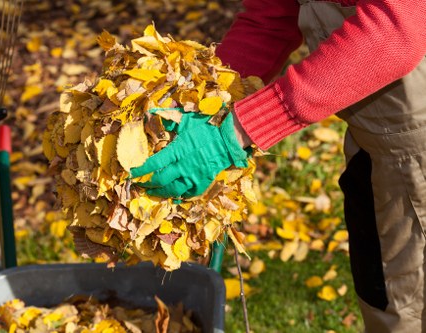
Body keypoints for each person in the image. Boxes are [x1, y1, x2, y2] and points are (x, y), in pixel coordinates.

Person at [131, 1, 426, 332]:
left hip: (416, 153)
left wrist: (238, 130)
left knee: (407, 311)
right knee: (381, 293)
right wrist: (202, 98)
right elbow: (271, 17)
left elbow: (397, 27)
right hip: (378, 142)